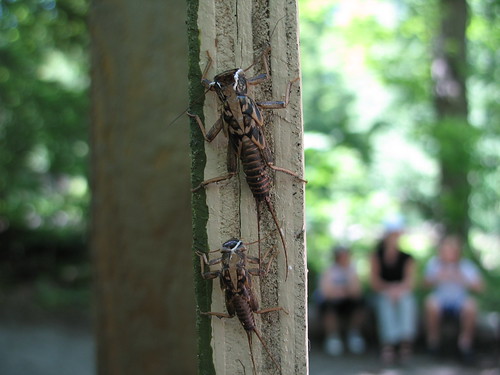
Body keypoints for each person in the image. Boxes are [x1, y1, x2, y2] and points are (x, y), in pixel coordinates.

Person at [424, 234, 484, 361]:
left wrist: (462, 278)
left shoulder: (465, 266)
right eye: (445, 250)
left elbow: (480, 287)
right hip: (441, 299)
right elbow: (423, 284)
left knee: (471, 305)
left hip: (459, 300)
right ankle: (433, 343)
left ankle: (465, 345)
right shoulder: (435, 264)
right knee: (430, 303)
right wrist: (438, 277)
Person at [370, 216, 417, 364]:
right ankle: (388, 343)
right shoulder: (376, 256)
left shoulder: (407, 257)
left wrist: (397, 289)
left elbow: (410, 282)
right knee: (385, 301)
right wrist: (389, 289)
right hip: (383, 293)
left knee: (406, 301)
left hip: (401, 292)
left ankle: (405, 342)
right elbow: (374, 282)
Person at [317, 246, 365, 356]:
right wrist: (342, 291)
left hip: (348, 302)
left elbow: (357, 291)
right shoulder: (329, 270)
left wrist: (342, 291)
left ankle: (354, 335)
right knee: (328, 307)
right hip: (332, 302)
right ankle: (333, 337)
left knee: (359, 304)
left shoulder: (352, 270)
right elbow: (325, 291)